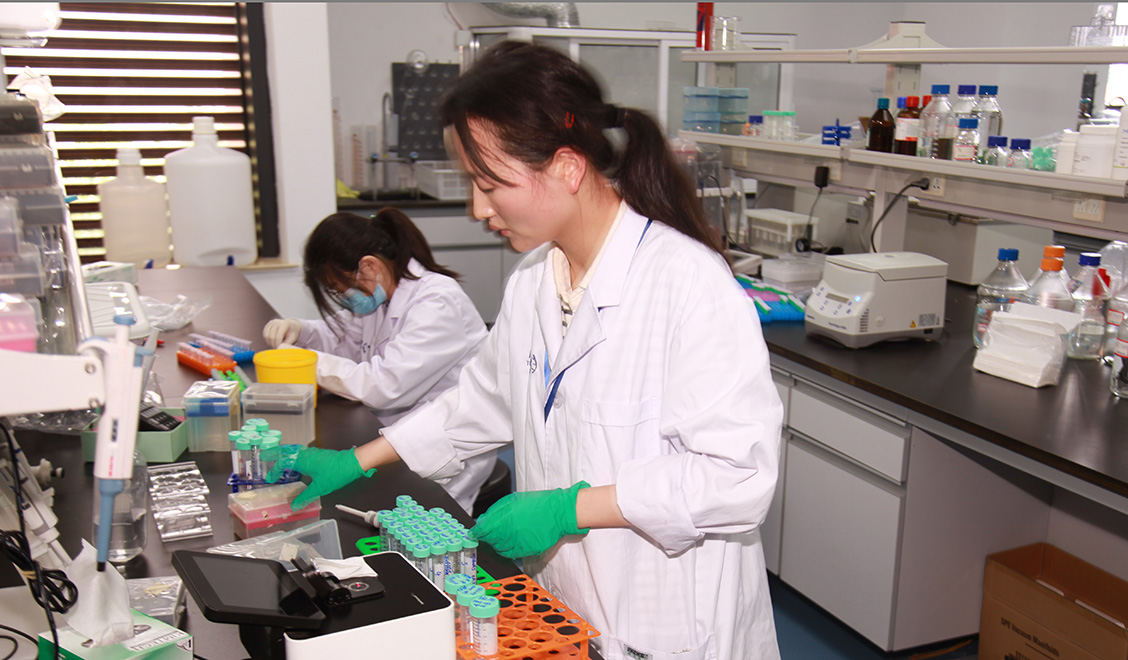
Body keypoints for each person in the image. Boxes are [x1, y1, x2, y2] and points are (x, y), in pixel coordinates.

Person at [281, 42, 783, 660]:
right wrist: (358, 461)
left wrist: (572, 508)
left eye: (491, 183)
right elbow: (480, 403)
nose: (477, 208)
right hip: (565, 604)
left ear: (567, 168)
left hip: (666, 616)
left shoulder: (688, 285)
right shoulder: (533, 284)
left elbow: (739, 476)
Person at [262, 208, 493, 514]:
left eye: (339, 288)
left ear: (368, 266)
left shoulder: (437, 302)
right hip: (397, 435)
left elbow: (385, 385)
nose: (343, 297)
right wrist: (301, 332)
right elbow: (343, 340)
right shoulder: (381, 298)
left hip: (446, 448)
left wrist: (307, 362)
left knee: (424, 536)